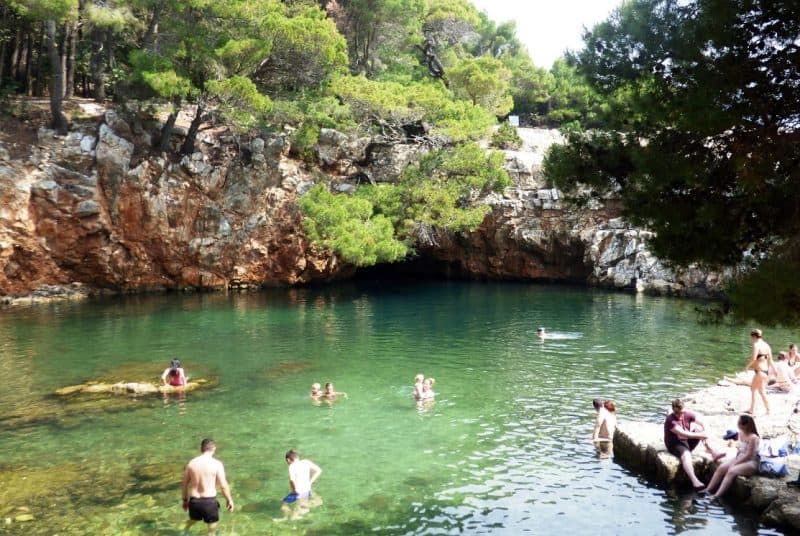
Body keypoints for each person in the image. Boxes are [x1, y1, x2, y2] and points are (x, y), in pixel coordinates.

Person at [664, 399, 724, 490]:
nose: (680, 415)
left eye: (681, 413)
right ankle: (694, 480)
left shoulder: (687, 414)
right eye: (677, 413)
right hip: (675, 443)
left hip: (687, 441)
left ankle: (711, 450)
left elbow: (702, 422)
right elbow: (684, 434)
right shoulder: (670, 421)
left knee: (698, 429)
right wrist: (701, 435)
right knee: (686, 455)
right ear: (673, 410)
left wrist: (705, 431)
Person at [181, 438, 234, 536]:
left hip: (194, 502)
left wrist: (185, 500)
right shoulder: (217, 464)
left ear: (201, 449)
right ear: (214, 449)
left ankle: (185, 531)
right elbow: (223, 486)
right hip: (209, 503)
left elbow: (184, 484)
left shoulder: (191, 463)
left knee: (193, 520)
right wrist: (229, 500)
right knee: (211, 533)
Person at [705, 414, 760, 499]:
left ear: (745, 425)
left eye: (739, 423)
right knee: (721, 467)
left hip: (751, 462)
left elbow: (749, 455)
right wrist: (735, 460)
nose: (737, 424)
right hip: (740, 458)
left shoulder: (753, 437)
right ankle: (708, 490)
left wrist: (735, 463)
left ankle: (716, 496)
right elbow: (739, 449)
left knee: (731, 471)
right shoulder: (741, 433)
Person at [744, 329, 773, 415]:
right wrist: (774, 371)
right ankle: (768, 410)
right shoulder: (767, 345)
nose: (751, 340)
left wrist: (746, 367)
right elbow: (770, 360)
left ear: (754, 336)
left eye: (751, 338)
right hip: (765, 372)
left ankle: (752, 409)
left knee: (753, 389)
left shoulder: (756, 345)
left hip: (759, 372)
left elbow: (753, 358)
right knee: (761, 391)